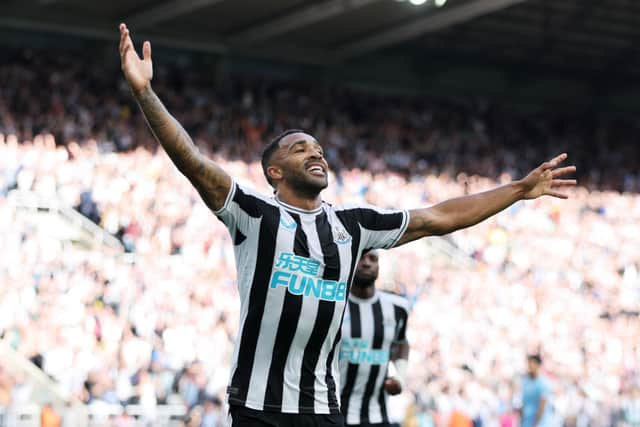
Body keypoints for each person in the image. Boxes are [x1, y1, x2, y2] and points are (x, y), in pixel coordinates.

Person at [118, 23, 576, 427]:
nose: (315, 153)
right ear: (273, 172)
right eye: (299, 149)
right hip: (259, 408)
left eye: (317, 147)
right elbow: (193, 162)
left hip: (324, 409)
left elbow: (439, 217)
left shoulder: (353, 226)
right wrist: (145, 93)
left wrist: (517, 190)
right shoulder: (255, 214)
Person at [339, 249, 409, 427]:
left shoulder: (397, 308)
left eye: (373, 258)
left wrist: (400, 376)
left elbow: (401, 344)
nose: (367, 262)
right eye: (361, 257)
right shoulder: (334, 305)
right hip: (335, 415)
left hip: (378, 415)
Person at [520, 355, 552, 427]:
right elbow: (524, 403)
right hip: (526, 421)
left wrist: (536, 424)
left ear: (538, 365)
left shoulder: (543, 383)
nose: (530, 366)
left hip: (540, 423)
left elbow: (542, 405)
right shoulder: (525, 381)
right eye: (529, 363)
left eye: (532, 364)